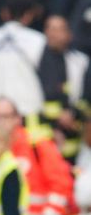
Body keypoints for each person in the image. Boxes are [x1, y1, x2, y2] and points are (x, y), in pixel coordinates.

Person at [37, 15, 90, 163]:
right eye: (50, 28)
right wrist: (54, 121)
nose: (54, 33)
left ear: (69, 34)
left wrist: (74, 113)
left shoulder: (80, 61)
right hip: (45, 133)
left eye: (59, 29)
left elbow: (85, 95)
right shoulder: (36, 60)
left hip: (75, 133)